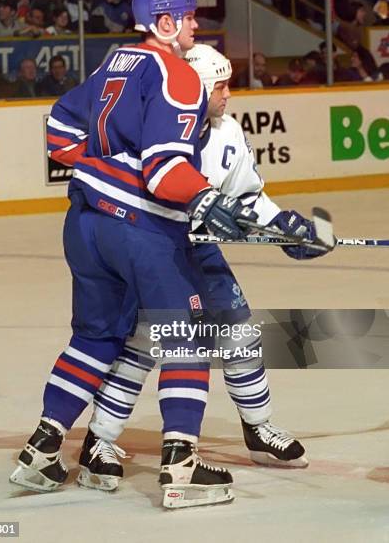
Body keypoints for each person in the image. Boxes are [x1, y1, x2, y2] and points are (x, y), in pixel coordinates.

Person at [10, 0, 260, 510]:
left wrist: (104, 175)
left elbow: (58, 128)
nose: (196, 26)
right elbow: (165, 172)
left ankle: (42, 449)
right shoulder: (178, 76)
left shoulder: (115, 61)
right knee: (185, 337)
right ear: (166, 23)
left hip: (85, 224)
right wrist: (206, 199)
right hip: (141, 231)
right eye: (190, 17)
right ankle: (181, 471)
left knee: (95, 337)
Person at [79, 44, 328, 492]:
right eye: (220, 85)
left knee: (239, 332)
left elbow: (247, 196)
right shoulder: (154, 126)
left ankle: (258, 426)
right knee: (145, 343)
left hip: (201, 252)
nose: (228, 94)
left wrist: (287, 227)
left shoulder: (228, 131)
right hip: (152, 249)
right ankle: (99, 439)